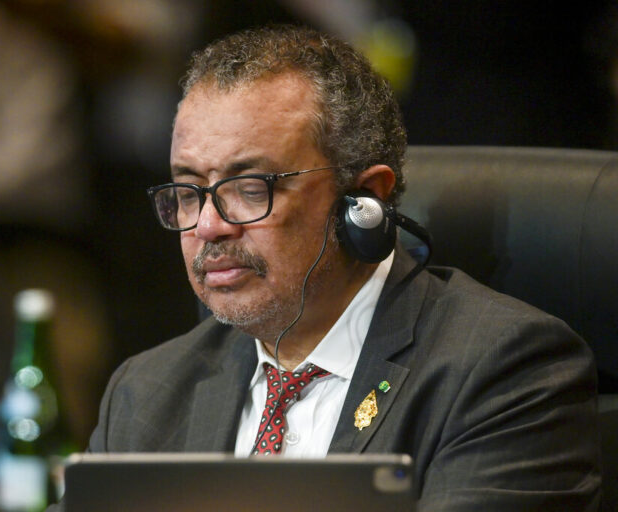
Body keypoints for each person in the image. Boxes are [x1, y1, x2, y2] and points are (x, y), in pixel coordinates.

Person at [85, 25, 601, 510]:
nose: (208, 226)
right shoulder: (145, 392)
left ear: (364, 200)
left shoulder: (502, 373)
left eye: (250, 188)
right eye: (189, 191)